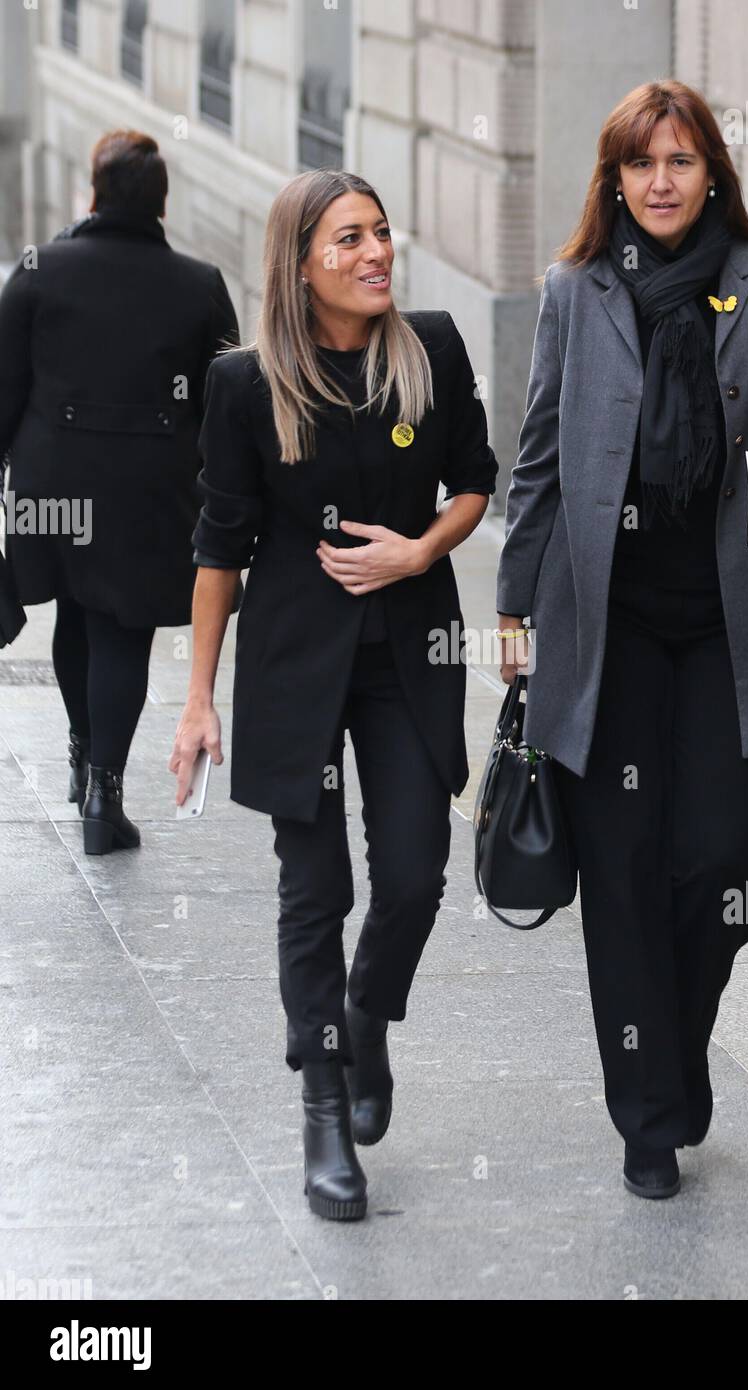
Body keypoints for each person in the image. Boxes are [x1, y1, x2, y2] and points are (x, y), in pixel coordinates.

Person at [496, 80, 748, 1200]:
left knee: (719, 866)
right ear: (614, 179)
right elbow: (542, 456)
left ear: (712, 175)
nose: (660, 182)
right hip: (604, 628)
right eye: (641, 164)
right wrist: (512, 612)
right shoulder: (576, 289)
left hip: (730, 627)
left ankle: (678, 1048)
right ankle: (647, 1117)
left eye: (681, 161)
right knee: (621, 874)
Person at [170, 169, 498, 1223]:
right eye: (350, 239)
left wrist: (421, 552)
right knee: (315, 892)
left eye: (382, 233)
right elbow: (220, 549)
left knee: (413, 868)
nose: (376, 253)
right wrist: (196, 699)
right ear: (301, 263)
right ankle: (322, 1104)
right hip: (293, 663)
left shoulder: (432, 347)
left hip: (410, 649)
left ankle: (364, 1016)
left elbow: (477, 480)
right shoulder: (242, 383)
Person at [0, 129, 239, 854]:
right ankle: (103, 786)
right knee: (120, 630)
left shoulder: (40, 269)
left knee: (78, 611)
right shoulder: (199, 283)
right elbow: (224, 402)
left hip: (54, 489)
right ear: (161, 203)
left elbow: (5, 390)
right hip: (150, 496)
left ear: (93, 193)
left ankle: (82, 751)